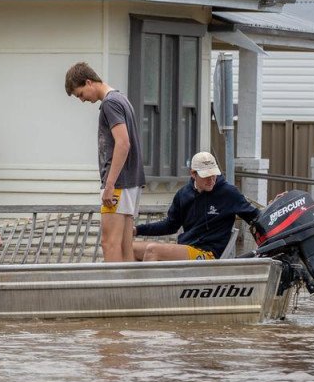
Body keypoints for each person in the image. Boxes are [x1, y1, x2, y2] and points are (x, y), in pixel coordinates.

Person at [65, 61, 145, 262]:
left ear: (89, 82)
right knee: (125, 246)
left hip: (118, 183)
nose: (82, 100)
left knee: (109, 243)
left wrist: (109, 184)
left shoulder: (110, 103)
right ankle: (128, 290)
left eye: (80, 94)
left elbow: (123, 143)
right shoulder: (122, 99)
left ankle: (113, 292)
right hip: (132, 181)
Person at [133, 151, 258, 261]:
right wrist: (136, 230)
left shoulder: (228, 193)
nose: (211, 180)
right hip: (185, 248)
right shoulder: (183, 194)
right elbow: (170, 225)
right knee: (130, 248)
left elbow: (255, 216)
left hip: (207, 254)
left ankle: (149, 288)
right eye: (206, 176)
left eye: (213, 174)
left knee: (153, 250)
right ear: (193, 174)